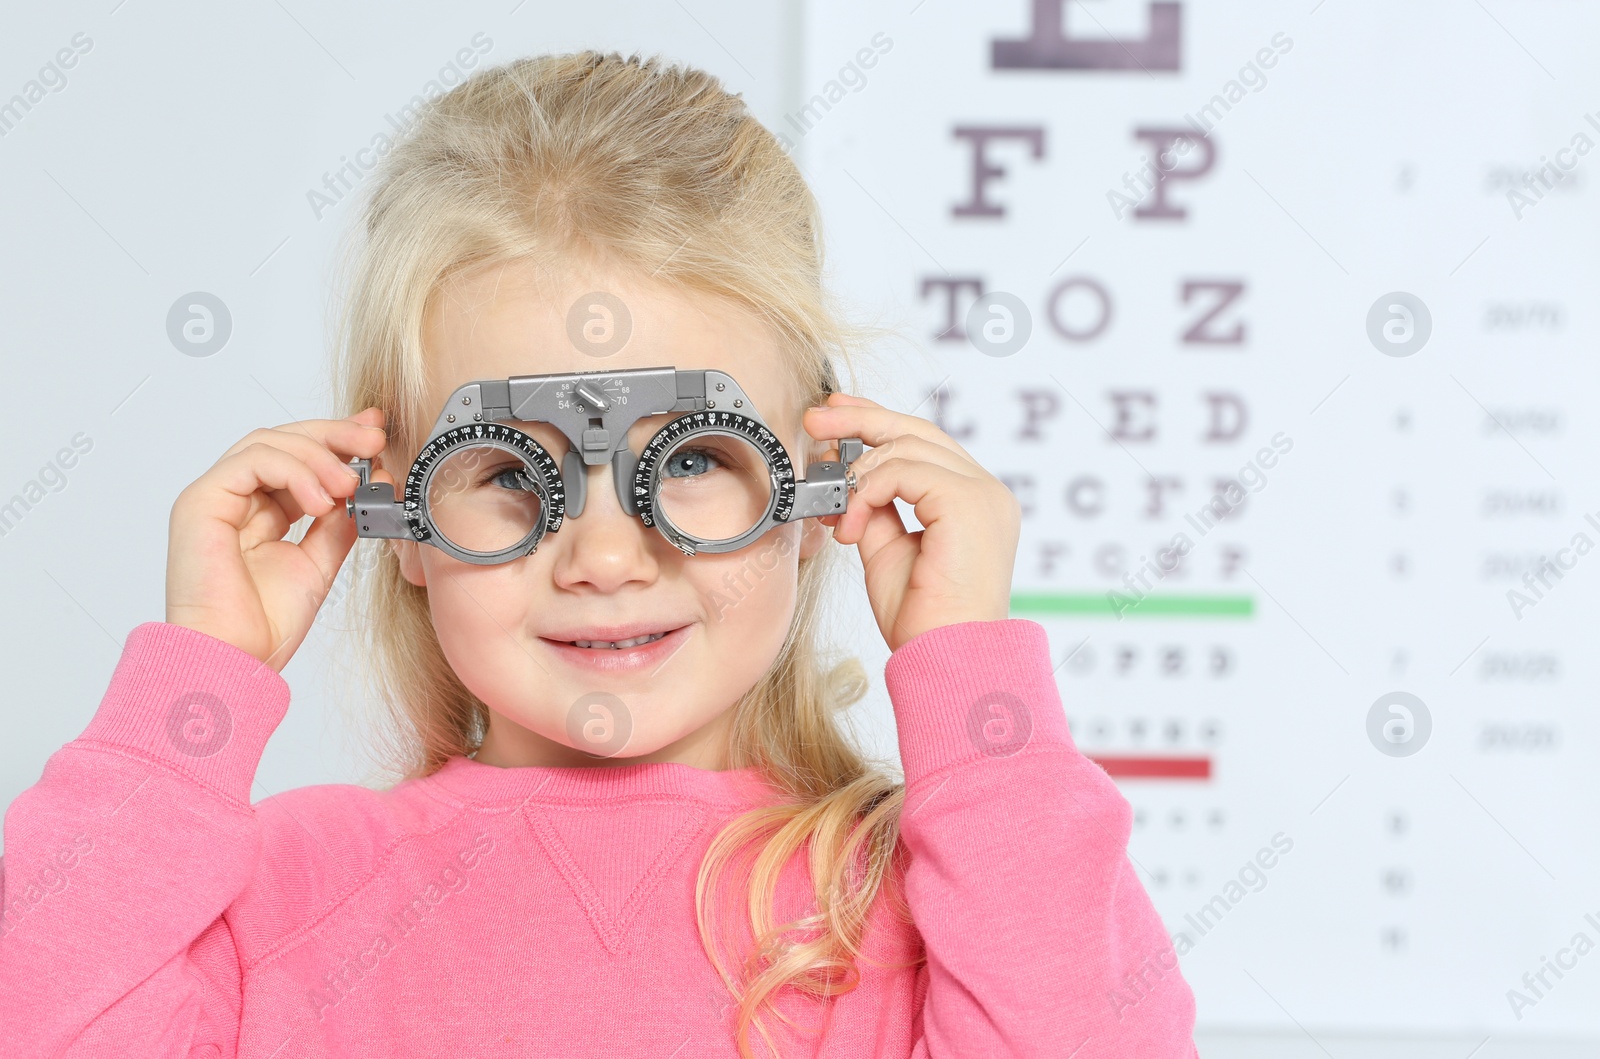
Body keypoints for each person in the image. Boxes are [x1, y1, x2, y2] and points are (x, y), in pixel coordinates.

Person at [0, 51, 1197, 1058]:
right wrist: (192, 689)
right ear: (394, 514)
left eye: (688, 460)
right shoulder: (292, 890)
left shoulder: (920, 896)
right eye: (509, 476)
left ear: (817, 478)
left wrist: (972, 680)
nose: (606, 556)